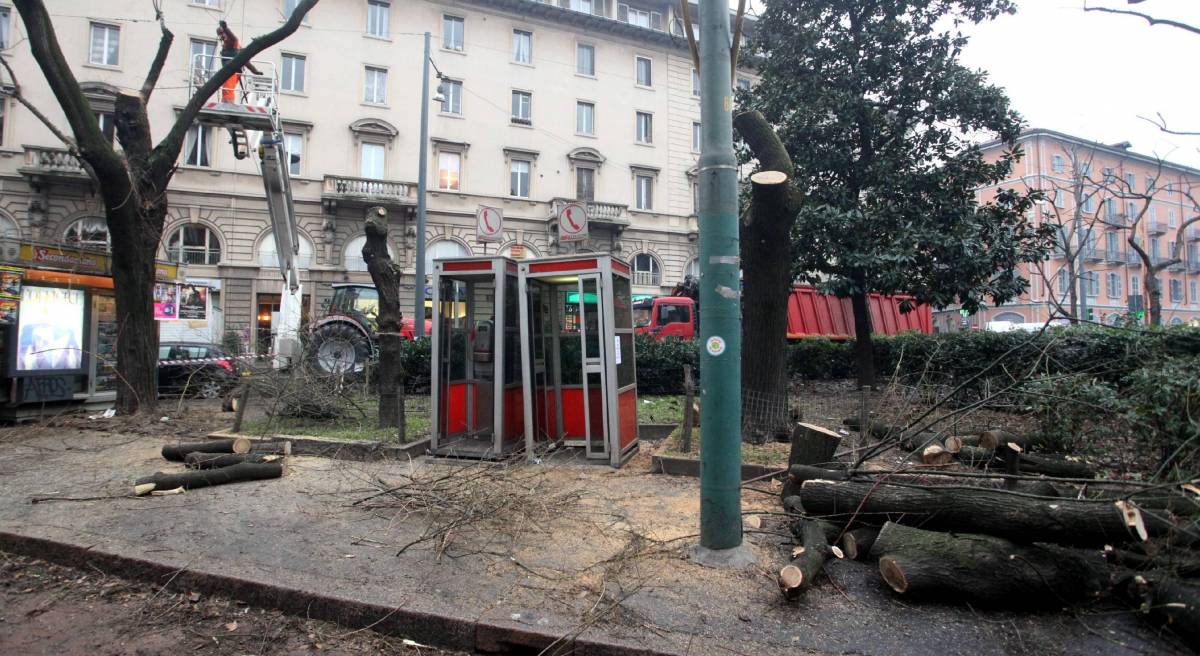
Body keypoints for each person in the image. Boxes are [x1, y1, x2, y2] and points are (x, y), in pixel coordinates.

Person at [216, 21, 262, 103]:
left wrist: (226, 29)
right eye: (220, 34)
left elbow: (234, 38)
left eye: (223, 33)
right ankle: (226, 102)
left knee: (227, 89)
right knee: (226, 89)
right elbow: (245, 60)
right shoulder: (227, 47)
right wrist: (254, 71)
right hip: (228, 71)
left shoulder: (233, 43)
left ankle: (228, 105)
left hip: (233, 71)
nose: (222, 36)